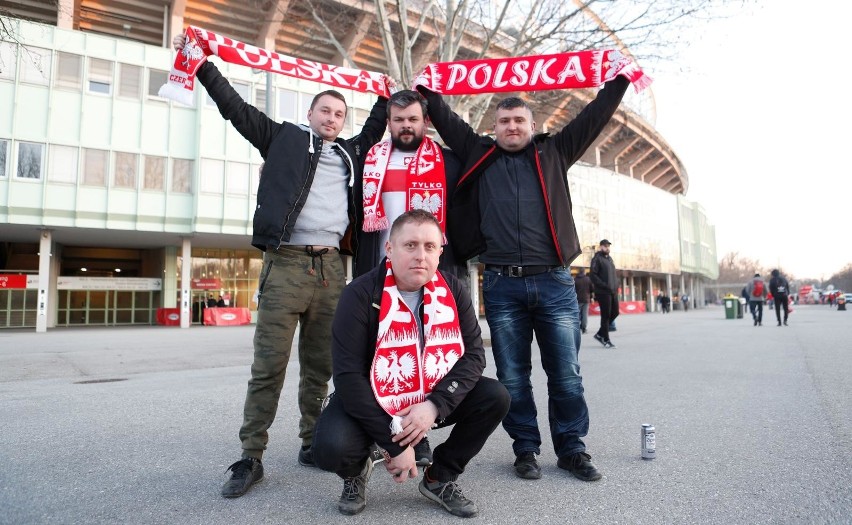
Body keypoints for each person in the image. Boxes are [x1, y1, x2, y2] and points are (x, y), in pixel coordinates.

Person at [172, 35, 390, 498]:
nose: (332, 119)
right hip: (287, 265)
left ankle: (312, 443)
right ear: (310, 113)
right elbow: (235, 108)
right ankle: (251, 456)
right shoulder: (282, 138)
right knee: (268, 365)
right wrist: (204, 65)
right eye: (325, 111)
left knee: (322, 366)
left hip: (332, 271)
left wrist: (388, 91)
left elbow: (376, 124)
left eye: (339, 114)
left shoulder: (351, 154)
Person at [417, 72, 630, 482]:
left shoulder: (555, 152)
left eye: (519, 121)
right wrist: (427, 87)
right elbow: (444, 117)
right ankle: (526, 449)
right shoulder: (479, 153)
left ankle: (572, 448)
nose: (512, 127)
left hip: (554, 282)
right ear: (493, 128)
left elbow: (595, 115)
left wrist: (618, 81)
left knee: (565, 372)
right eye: (504, 121)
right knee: (513, 376)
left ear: (533, 126)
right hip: (502, 284)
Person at [313, 210, 510, 518]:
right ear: (389, 248)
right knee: (331, 448)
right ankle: (355, 471)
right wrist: (394, 445)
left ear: (440, 252)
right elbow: (348, 377)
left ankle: (439, 478)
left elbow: (474, 356)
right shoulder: (359, 294)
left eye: (430, 246)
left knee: (495, 397)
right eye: (411, 245)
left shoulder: (454, 289)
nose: (421, 256)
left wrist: (434, 405)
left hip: (429, 396)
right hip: (372, 397)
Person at [354, 90, 468, 466]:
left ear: (425, 121)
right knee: (379, 352)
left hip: (429, 272)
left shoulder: (449, 162)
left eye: (413, 119)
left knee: (423, 352)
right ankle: (377, 431)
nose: (406, 126)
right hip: (380, 270)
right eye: (399, 119)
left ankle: (418, 432)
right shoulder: (369, 160)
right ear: (389, 123)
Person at [590, 239, 619, 349]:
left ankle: (600, 334)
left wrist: (616, 285)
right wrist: (604, 285)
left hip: (613, 291)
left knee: (615, 312)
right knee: (605, 316)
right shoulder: (597, 259)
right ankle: (605, 339)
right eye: (605, 246)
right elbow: (593, 275)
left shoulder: (610, 259)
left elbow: (613, 275)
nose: (607, 248)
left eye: (608, 246)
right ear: (601, 247)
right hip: (603, 292)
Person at [574, 268, 593, 334]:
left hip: (577, 300)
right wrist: (591, 296)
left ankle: (577, 328)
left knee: (577, 314)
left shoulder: (575, 280)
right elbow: (592, 289)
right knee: (585, 314)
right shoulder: (588, 279)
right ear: (584, 272)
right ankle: (584, 328)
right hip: (586, 299)